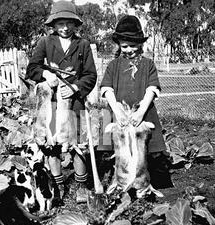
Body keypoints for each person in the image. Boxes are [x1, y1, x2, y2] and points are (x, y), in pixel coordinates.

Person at [25, 1, 97, 204]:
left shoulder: (82, 45)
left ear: (75, 24)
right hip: (52, 104)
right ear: (53, 25)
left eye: (69, 23)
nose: (65, 28)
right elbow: (32, 69)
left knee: (78, 144)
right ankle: (58, 185)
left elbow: (91, 75)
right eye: (60, 24)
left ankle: (82, 186)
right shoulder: (45, 43)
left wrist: (75, 87)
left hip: (75, 102)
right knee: (52, 144)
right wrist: (46, 74)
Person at [100, 15, 173, 190]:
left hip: (143, 112)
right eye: (125, 46)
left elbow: (152, 89)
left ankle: (146, 182)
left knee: (145, 148)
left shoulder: (148, 65)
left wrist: (141, 112)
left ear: (141, 44)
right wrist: (117, 112)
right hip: (119, 113)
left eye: (134, 45)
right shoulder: (113, 66)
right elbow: (107, 90)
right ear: (119, 45)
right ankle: (119, 181)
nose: (129, 49)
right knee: (117, 147)